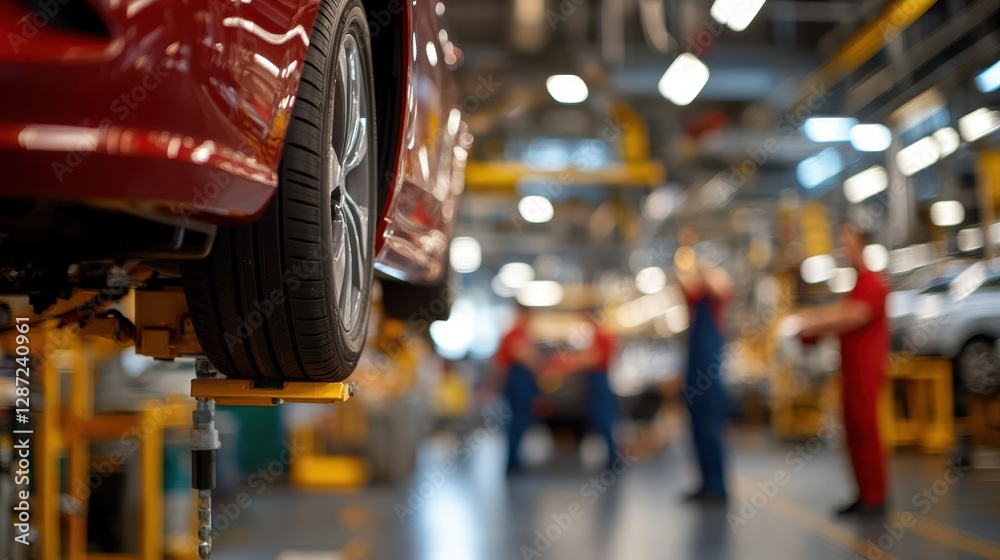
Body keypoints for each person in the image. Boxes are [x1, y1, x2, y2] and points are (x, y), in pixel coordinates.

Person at [793, 222, 889, 516]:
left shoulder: (874, 283)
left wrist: (814, 323)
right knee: (852, 432)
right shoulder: (857, 285)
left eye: (846, 241)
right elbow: (842, 313)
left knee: (866, 429)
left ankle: (876, 496)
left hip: (866, 373)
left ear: (861, 243)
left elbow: (854, 316)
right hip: (850, 372)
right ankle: (863, 494)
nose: (841, 247)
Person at [675, 228, 733, 503]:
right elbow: (683, 283)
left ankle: (718, 486)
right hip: (693, 362)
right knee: (696, 425)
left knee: (710, 424)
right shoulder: (695, 296)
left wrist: (695, 255)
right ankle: (706, 483)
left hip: (708, 365)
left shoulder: (716, 288)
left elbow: (720, 284)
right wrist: (683, 254)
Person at [548, 312, 620, 467]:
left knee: (603, 420)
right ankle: (612, 457)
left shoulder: (600, 335)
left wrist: (570, 363)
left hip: (598, 380)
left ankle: (613, 459)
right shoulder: (600, 336)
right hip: (599, 380)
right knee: (601, 419)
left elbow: (594, 359)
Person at [494, 304, 544, 474]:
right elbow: (522, 355)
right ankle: (512, 463)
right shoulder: (516, 333)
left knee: (520, 419)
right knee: (519, 420)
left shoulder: (518, 333)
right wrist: (540, 364)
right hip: (519, 379)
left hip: (517, 378)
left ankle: (514, 460)